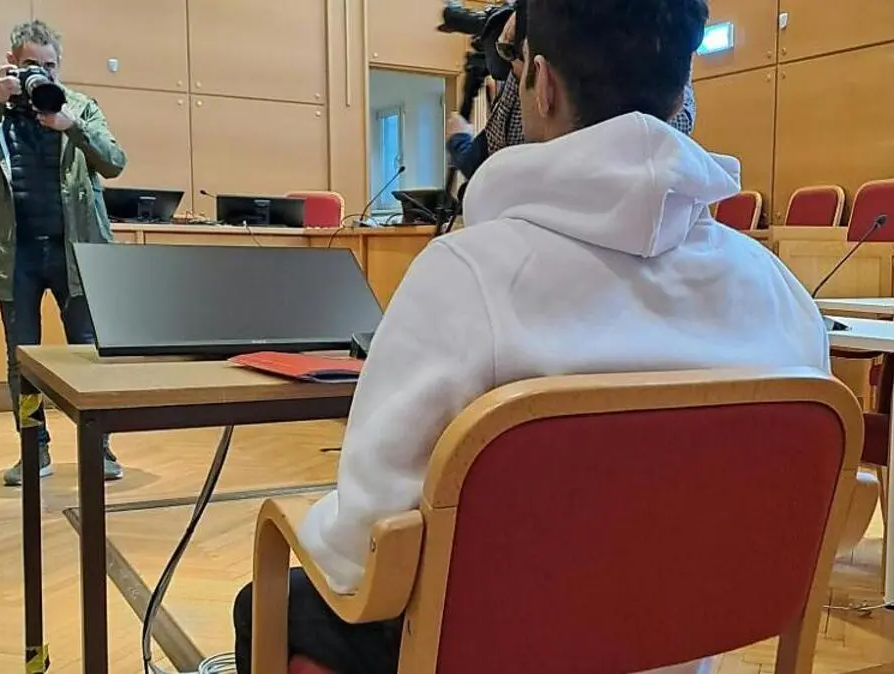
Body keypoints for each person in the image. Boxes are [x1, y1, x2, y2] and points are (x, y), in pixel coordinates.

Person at [232, 0, 830, 670]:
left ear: (539, 84)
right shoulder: (781, 296)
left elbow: (360, 550)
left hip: (492, 649)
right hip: (680, 642)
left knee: (269, 601)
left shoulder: (463, 277)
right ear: (682, 91)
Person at [0, 20, 126, 486]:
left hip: (75, 254)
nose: (42, 75)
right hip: (17, 255)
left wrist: (73, 126)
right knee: (22, 362)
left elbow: (115, 162)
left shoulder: (80, 106)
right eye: (32, 65)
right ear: (12, 62)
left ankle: (99, 447)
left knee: (88, 354)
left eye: (50, 66)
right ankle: (34, 448)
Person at [445, 6, 697, 178]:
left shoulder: (529, 138)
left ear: (544, 84)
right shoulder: (674, 123)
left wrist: (458, 138)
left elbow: (486, 165)